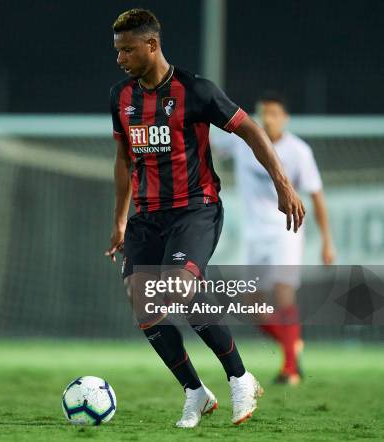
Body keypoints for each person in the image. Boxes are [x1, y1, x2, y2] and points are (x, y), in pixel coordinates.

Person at [105, 9, 305, 427]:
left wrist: (282, 184)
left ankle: (240, 377)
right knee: (143, 304)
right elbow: (124, 157)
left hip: (195, 210)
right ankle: (195, 392)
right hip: (146, 217)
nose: (120, 58)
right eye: (117, 51)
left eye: (127, 50)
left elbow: (250, 129)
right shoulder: (120, 98)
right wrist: (120, 219)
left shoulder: (195, 90)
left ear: (152, 45)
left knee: (178, 288)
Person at [211, 92, 335, 385]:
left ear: (285, 118)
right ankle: (292, 343)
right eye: (263, 113)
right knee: (252, 308)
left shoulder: (298, 151)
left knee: (283, 296)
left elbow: (316, 196)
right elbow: (209, 137)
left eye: (274, 114)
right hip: (255, 235)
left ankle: (290, 369)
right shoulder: (243, 140)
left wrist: (328, 241)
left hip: (286, 231)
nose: (268, 119)